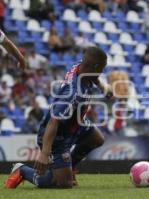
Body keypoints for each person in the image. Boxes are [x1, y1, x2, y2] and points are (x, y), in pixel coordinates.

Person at [5, 47, 113, 189]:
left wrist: (102, 87)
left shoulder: (83, 66)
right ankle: (23, 171)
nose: (102, 71)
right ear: (95, 67)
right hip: (58, 135)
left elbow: (94, 75)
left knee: (96, 139)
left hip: (75, 123)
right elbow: (54, 120)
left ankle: (69, 167)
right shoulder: (72, 93)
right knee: (63, 184)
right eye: (102, 68)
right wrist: (44, 154)